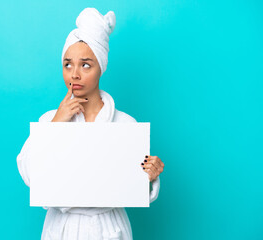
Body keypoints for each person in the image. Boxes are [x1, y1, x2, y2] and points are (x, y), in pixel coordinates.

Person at [17, 7, 165, 240]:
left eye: (85, 65)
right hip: (62, 228)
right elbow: (30, 175)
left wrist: (149, 176)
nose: (74, 74)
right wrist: (56, 124)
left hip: (108, 227)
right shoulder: (48, 121)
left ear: (100, 67)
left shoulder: (126, 124)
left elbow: (135, 187)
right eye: (68, 64)